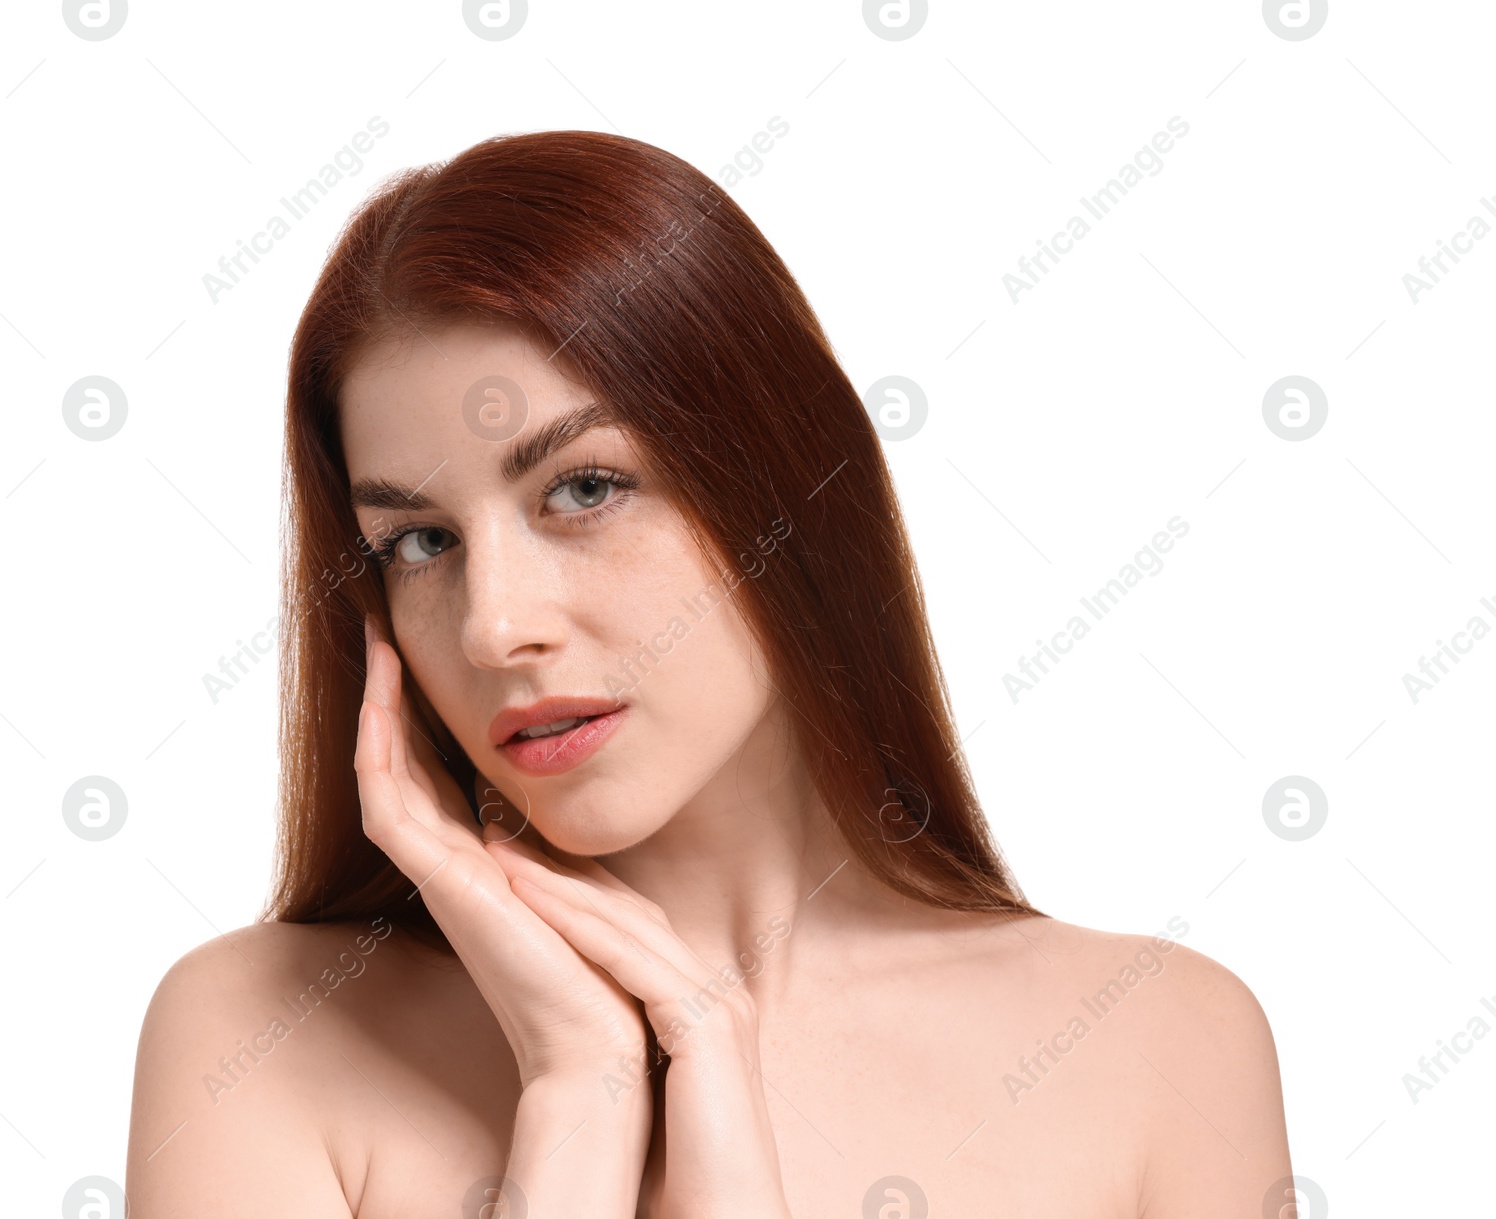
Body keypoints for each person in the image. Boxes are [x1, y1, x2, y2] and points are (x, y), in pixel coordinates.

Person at [125, 130, 1292, 1217]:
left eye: (583, 488)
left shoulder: (1157, 1046)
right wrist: (579, 1097)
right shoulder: (265, 1035)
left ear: (784, 483)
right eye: (420, 542)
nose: (494, 626)